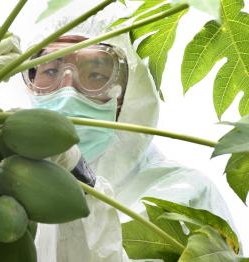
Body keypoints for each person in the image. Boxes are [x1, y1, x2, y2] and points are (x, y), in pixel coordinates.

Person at [17, 2, 235, 261]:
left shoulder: (186, 193)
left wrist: (88, 198)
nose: (67, 90)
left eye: (96, 75)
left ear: (129, 95)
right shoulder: (8, 189)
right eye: (50, 71)